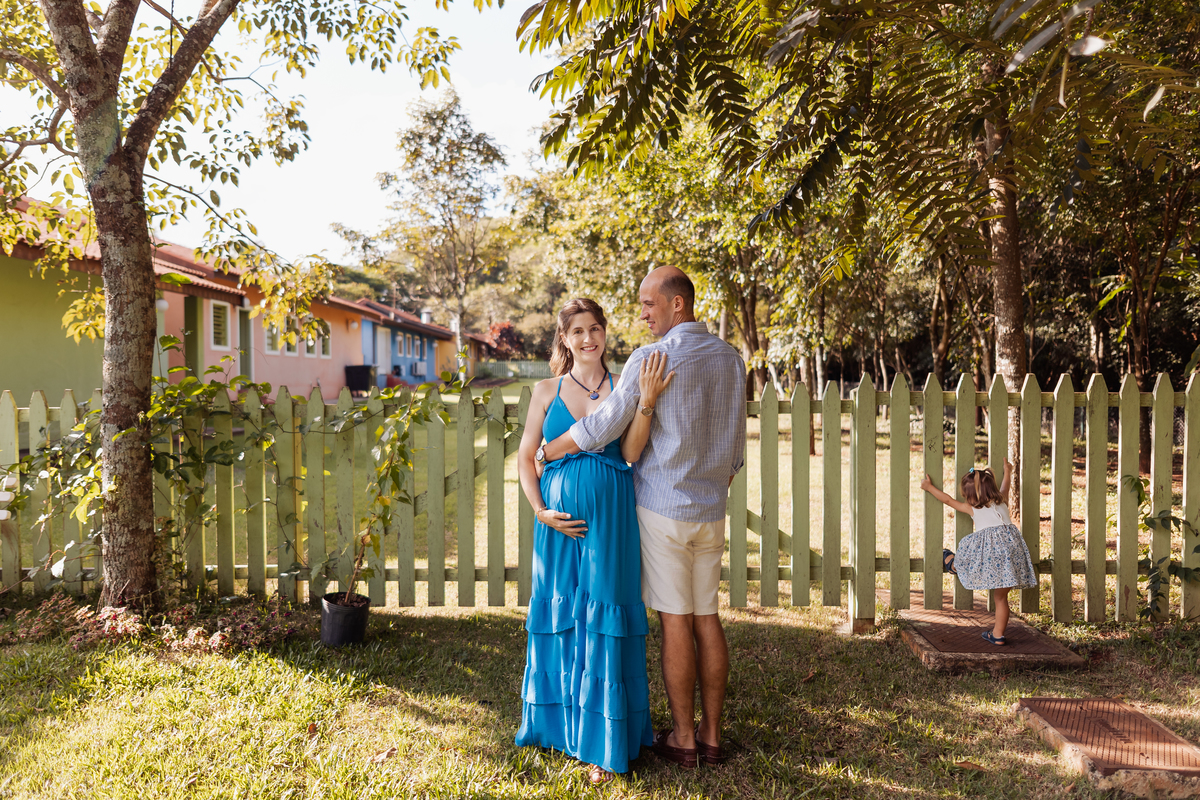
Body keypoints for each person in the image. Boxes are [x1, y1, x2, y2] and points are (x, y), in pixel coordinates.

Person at [540, 267, 746, 770]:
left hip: (662, 509)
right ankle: (712, 736)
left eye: (649, 303)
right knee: (707, 617)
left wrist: (551, 448)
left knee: (676, 621)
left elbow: (605, 425)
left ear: (678, 305)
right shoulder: (731, 359)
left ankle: (682, 738)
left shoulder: (650, 357)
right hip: (710, 512)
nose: (642, 313)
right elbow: (737, 448)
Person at [514, 298, 672, 784]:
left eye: (596, 329)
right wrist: (542, 512)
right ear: (564, 338)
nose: (588, 339)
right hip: (557, 527)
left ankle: (604, 742)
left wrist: (645, 400)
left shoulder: (624, 384)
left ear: (606, 333)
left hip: (611, 519)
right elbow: (525, 459)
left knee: (605, 615)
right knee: (563, 613)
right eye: (577, 331)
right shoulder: (545, 390)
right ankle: (559, 729)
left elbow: (627, 452)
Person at [920, 460, 1037, 645]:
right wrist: (1007, 471)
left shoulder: (973, 508)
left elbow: (948, 500)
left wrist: (929, 487)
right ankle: (997, 635)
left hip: (991, 555)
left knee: (968, 552)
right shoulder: (1001, 501)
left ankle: (952, 563)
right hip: (1011, 555)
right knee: (1001, 598)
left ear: (970, 496)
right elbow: (1005, 487)